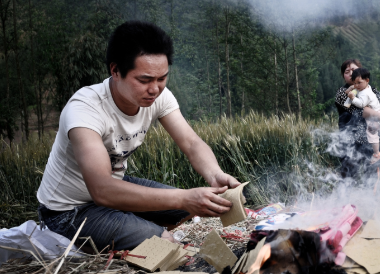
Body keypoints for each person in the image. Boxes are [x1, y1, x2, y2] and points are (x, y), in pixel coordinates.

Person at [36, 21, 240, 251]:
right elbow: (102, 189)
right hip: (69, 210)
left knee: (187, 209)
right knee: (162, 244)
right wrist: (183, 197)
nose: (154, 89)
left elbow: (192, 143)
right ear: (115, 71)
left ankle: (137, 228)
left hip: (116, 186)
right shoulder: (84, 109)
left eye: (162, 78)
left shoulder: (157, 96)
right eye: (144, 80)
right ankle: (148, 234)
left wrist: (215, 174)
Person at [334, 59, 380, 179]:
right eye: (347, 71)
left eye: (354, 70)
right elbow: (361, 111)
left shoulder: (371, 90)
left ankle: (371, 197)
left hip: (371, 140)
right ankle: (346, 197)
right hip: (350, 141)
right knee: (348, 176)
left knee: (371, 175)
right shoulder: (342, 93)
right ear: (343, 76)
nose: (350, 73)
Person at [345, 68, 380, 164]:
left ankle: (377, 154)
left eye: (358, 82)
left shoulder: (365, 93)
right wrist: (351, 89)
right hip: (378, 111)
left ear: (367, 80)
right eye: (354, 83)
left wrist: (353, 98)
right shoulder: (366, 87)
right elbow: (349, 92)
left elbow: (361, 104)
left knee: (372, 133)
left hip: (372, 116)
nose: (356, 85)